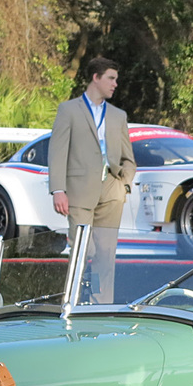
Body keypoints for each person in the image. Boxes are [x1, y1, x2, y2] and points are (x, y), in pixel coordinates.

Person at [49, 57, 136, 303]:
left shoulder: (118, 116)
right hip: (78, 191)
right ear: (96, 78)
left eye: (116, 79)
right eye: (111, 78)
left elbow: (129, 158)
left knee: (106, 254)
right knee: (82, 250)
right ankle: (72, 302)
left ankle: (101, 306)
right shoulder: (68, 110)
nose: (115, 84)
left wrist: (124, 184)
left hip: (112, 190)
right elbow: (57, 151)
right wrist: (58, 189)